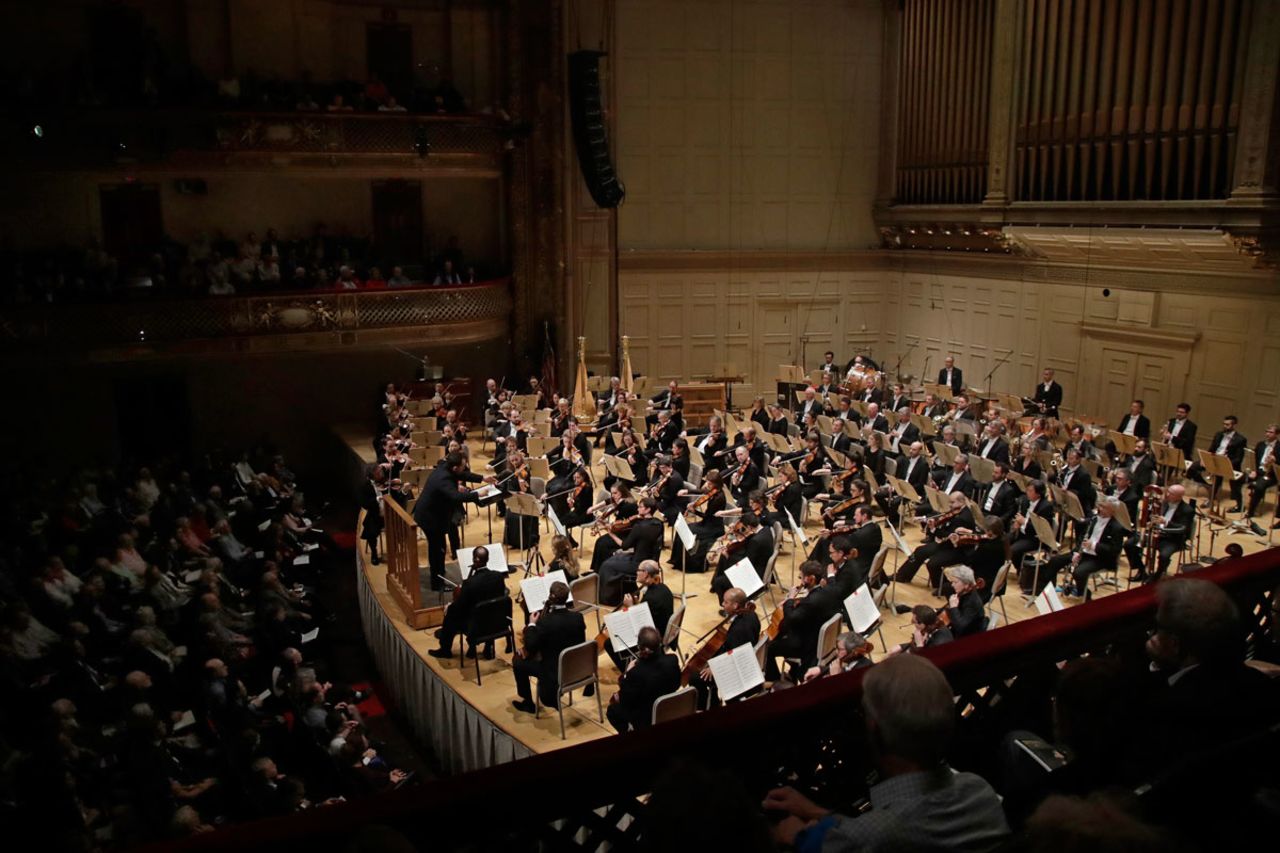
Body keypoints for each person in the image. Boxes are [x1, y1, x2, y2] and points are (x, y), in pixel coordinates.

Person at [764, 655, 1009, 851]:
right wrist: (817, 812)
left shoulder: (870, 837)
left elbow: (871, 834)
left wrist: (796, 836)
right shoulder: (979, 791)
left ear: (874, 729)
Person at [412, 452, 492, 591]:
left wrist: (483, 478)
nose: (465, 467)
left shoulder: (445, 466)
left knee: (439, 548)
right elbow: (456, 497)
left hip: (432, 513)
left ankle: (439, 574)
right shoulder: (444, 479)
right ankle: (437, 583)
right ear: (455, 467)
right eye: (463, 465)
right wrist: (477, 494)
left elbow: (462, 474)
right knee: (437, 549)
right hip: (430, 518)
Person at [511, 581, 587, 713]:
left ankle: (528, 703)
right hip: (574, 670)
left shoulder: (545, 623)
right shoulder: (578, 618)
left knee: (517, 661)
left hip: (553, 672)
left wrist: (531, 625)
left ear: (551, 597)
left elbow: (531, 646)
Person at [765, 561, 842, 680]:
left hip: (806, 644)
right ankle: (793, 673)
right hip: (819, 638)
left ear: (811, 579)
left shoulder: (811, 602)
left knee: (768, 648)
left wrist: (790, 599)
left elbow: (791, 619)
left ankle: (774, 681)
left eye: (801, 577)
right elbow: (830, 587)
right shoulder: (829, 590)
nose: (800, 581)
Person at [429, 546, 507, 659]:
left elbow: (460, 607)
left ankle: (445, 649)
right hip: (496, 622)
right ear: (487, 559)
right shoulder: (498, 577)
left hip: (476, 626)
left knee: (451, 613)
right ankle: (488, 647)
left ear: (476, 560)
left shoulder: (470, 583)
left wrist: (450, 606)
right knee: (489, 608)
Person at [691, 588, 762, 708]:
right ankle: (713, 699)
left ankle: (711, 706)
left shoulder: (739, 630)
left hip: (737, 669)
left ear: (735, 605)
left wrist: (714, 668)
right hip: (744, 657)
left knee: (695, 678)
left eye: (725, 602)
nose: (722, 604)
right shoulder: (751, 614)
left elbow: (735, 656)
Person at [1044, 498, 1126, 598]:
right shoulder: (1094, 519)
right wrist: (1076, 552)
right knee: (1054, 561)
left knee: (1078, 573)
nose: (1100, 509)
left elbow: (1114, 550)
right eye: (1100, 506)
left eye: (1104, 508)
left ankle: (1085, 595)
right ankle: (1049, 593)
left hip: (1100, 558)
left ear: (1113, 511)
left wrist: (1094, 545)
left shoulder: (1117, 527)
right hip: (1083, 553)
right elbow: (1082, 537)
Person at [606, 626, 681, 733]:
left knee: (612, 711)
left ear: (640, 648)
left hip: (647, 719)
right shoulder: (672, 660)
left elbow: (624, 701)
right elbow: (677, 684)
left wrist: (627, 673)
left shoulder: (636, 673)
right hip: (671, 710)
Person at [598, 498, 664, 605]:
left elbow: (624, 545)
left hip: (639, 564)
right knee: (616, 558)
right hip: (651, 561)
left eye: (640, 507)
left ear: (648, 510)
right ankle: (630, 589)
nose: (637, 509)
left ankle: (610, 599)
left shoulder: (639, 527)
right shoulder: (658, 523)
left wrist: (610, 533)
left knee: (606, 565)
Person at [802, 630, 874, 682]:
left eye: (840, 649)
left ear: (853, 652)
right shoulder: (855, 662)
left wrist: (835, 678)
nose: (836, 652)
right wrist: (820, 669)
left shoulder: (862, 673)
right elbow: (844, 669)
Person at [942, 566, 987, 637]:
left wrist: (953, 607)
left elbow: (960, 627)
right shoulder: (963, 592)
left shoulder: (972, 602)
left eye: (955, 582)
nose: (952, 585)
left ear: (966, 584)